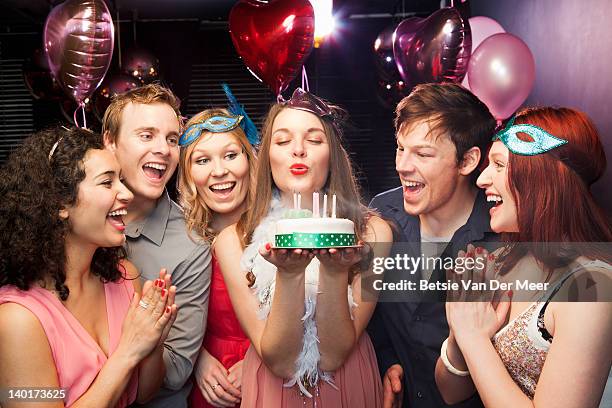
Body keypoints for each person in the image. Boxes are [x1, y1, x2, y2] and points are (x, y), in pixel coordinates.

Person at [213, 87, 393, 407]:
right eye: (282, 141)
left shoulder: (372, 233)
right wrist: (291, 274)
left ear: (332, 154)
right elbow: (280, 362)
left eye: (313, 140)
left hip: (347, 385)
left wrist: (335, 271)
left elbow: (335, 355)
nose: (298, 150)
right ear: (267, 155)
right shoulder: (233, 240)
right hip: (273, 389)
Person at [436, 107, 612, 407]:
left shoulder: (593, 286)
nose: (482, 179)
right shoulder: (504, 259)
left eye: (499, 164)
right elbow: (451, 392)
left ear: (542, 176)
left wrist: (474, 338)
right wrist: (459, 328)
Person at [0, 127, 178, 407]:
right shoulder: (17, 321)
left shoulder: (124, 278)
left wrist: (154, 340)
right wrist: (129, 350)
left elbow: (145, 393)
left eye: (121, 179)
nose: (126, 194)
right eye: (108, 183)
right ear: (60, 203)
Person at [367, 82, 498, 408]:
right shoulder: (382, 214)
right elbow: (372, 314)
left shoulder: (502, 237)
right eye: (400, 148)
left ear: (467, 162)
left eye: (422, 153)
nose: (402, 165)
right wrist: (387, 362)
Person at [102, 84, 212, 408]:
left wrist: (146, 328)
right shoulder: (77, 226)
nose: (163, 149)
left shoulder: (191, 244)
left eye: (171, 139)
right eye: (146, 135)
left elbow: (176, 370)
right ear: (109, 142)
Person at [177, 105, 258, 408]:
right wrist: (195, 360)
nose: (219, 171)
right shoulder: (179, 241)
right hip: (210, 386)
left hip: (272, 376)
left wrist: (259, 358)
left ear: (250, 161)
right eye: (202, 160)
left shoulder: (280, 230)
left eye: (230, 155)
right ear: (188, 174)